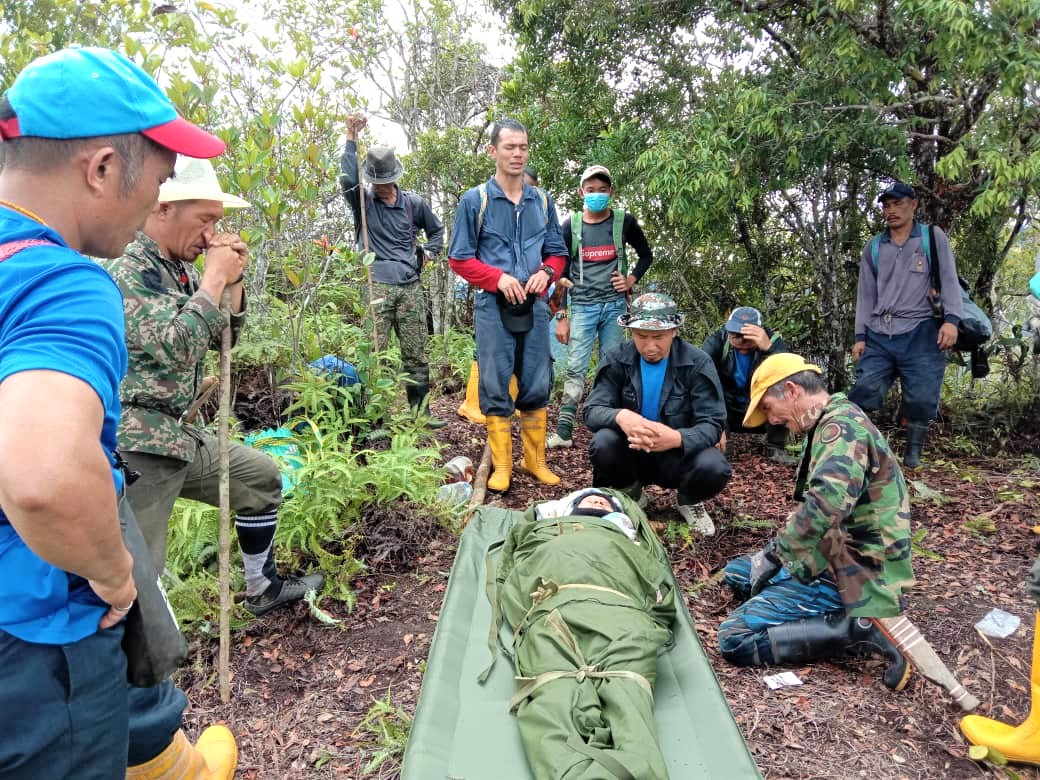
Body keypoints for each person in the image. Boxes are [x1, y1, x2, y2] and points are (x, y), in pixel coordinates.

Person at [0, 47, 235, 778]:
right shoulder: (62, 282)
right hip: (39, 632)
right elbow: (43, 476)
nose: (153, 204)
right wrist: (112, 570)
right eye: (158, 182)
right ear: (102, 168)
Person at [101, 156, 324, 620]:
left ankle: (262, 587)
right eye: (204, 220)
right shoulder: (129, 268)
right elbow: (175, 347)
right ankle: (143, 658)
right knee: (139, 572)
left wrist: (232, 280)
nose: (210, 235)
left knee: (259, 478)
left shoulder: (179, 268)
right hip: (140, 443)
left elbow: (223, 338)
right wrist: (214, 277)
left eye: (216, 222)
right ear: (163, 208)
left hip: (178, 434)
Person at [717, 353, 914, 692]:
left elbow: (825, 506)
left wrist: (775, 555)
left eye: (768, 408)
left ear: (792, 391)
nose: (772, 420)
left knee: (734, 638)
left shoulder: (842, 430)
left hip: (855, 570)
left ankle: (855, 627)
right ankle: (806, 602)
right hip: (829, 552)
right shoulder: (829, 421)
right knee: (738, 574)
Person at [448, 118, 568, 492]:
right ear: (493, 151)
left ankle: (534, 460)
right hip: (492, 305)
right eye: (509, 147)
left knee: (537, 379)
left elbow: (558, 252)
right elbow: (459, 258)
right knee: (494, 381)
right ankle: (502, 466)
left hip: (535, 305)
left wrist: (547, 272)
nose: (518, 154)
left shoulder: (542, 201)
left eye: (523, 147)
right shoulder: (475, 201)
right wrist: (497, 278)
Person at [583, 292, 731, 536]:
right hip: (632, 451)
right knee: (603, 443)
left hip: (677, 456)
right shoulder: (616, 358)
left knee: (715, 466)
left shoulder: (698, 363)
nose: (650, 346)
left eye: (659, 337)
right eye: (641, 336)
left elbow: (714, 423)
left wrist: (676, 438)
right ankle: (631, 492)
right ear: (631, 332)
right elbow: (592, 410)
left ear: (674, 331)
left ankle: (689, 500)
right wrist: (621, 416)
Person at [339, 114, 446, 426]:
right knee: (374, 352)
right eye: (376, 181)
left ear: (395, 176)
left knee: (416, 351)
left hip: (410, 285)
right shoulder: (363, 201)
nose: (381, 186)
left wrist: (428, 252)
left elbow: (437, 232)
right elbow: (347, 179)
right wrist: (351, 137)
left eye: (385, 180)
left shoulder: (414, 204)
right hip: (376, 285)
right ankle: (374, 417)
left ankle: (421, 414)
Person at [848, 181, 962, 468]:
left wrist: (951, 321)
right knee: (864, 389)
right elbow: (865, 294)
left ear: (913, 205)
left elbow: (949, 279)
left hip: (921, 329)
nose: (892, 210)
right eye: (887, 205)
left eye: (898, 204)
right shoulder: (875, 247)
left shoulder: (931, 238)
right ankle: (855, 451)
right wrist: (860, 336)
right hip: (879, 332)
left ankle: (913, 453)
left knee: (921, 396)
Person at [548, 165, 654, 448]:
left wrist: (630, 280)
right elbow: (561, 271)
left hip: (614, 306)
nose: (597, 194)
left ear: (611, 191)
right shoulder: (571, 226)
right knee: (575, 367)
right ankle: (564, 432)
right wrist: (561, 315)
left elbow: (646, 255)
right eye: (591, 190)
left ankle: (610, 427)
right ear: (581, 192)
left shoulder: (623, 222)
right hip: (582, 306)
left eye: (603, 190)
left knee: (613, 366)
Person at [701, 306, 792, 462]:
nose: (742, 341)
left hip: (760, 408)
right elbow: (701, 377)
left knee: (786, 391)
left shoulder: (773, 341)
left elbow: (788, 374)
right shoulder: (717, 341)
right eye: (736, 335)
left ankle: (775, 446)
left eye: (748, 336)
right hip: (728, 409)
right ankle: (721, 444)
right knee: (704, 393)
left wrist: (768, 349)